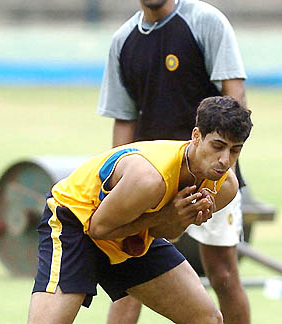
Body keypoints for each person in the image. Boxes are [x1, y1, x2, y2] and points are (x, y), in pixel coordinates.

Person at [97, 0, 250, 324]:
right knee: (129, 274)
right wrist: (117, 180)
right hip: (154, 176)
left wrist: (226, 165)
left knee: (223, 273)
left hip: (210, 174)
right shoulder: (122, 42)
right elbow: (124, 118)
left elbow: (236, 98)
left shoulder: (205, 21)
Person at [28, 96, 252, 324]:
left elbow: (166, 232)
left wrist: (181, 219)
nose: (225, 160)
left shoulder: (224, 187)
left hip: (129, 228)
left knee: (207, 319)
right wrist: (168, 215)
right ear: (196, 136)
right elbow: (98, 229)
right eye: (217, 146)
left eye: (235, 150)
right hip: (76, 221)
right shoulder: (150, 177)